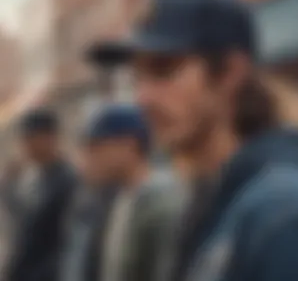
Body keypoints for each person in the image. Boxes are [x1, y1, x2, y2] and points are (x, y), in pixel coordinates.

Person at [120, 0, 298, 281]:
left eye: (164, 70)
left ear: (231, 72)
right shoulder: (214, 200)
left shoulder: (286, 218)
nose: (142, 99)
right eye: (138, 78)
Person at [62, 105, 184, 281]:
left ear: (129, 145)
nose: (86, 161)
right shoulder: (122, 198)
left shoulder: (161, 204)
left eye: (95, 149)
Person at [7, 109, 76, 281]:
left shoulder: (67, 181)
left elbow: (61, 243)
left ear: (49, 138)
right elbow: (25, 223)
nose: (26, 146)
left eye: (31, 138)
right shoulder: (39, 177)